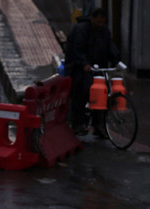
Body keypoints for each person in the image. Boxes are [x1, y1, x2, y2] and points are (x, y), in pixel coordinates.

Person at [65, 7, 121, 136]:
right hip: (79, 68)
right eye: (99, 20)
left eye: (103, 21)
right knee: (82, 92)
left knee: (102, 93)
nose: (101, 24)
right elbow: (77, 49)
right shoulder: (81, 30)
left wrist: (116, 59)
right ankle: (78, 123)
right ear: (93, 18)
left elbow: (110, 46)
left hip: (97, 67)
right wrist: (84, 63)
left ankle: (98, 124)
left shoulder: (104, 31)